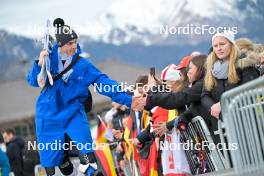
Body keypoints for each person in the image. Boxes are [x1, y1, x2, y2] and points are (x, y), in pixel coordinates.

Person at [27, 18, 136, 176]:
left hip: (73, 112)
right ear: (60, 45)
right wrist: (39, 64)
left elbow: (103, 82)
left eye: (75, 42)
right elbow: (33, 81)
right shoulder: (48, 59)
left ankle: (91, 171)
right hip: (48, 115)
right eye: (69, 43)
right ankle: (63, 156)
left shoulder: (82, 65)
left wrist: (130, 100)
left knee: (87, 155)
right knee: (52, 167)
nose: (74, 46)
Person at [201, 31, 259, 144]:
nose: (219, 48)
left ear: (231, 45)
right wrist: (213, 107)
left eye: (222, 44)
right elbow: (204, 95)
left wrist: (223, 104)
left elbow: (249, 91)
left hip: (245, 124)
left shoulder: (244, 65)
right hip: (221, 126)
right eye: (215, 46)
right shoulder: (212, 69)